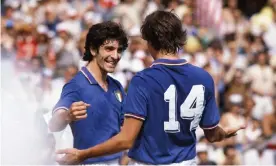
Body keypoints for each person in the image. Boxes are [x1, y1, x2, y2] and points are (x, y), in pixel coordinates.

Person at [56, 11, 245, 165]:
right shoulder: (204, 77)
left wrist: (82, 154)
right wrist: (225, 132)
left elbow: (125, 140)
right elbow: (213, 134)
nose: (116, 55)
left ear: (150, 42)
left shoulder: (143, 80)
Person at [49, 21, 128, 165]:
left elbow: (126, 128)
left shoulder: (117, 86)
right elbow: (54, 123)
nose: (116, 56)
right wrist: (68, 115)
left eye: (119, 50)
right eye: (109, 49)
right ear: (93, 49)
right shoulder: (76, 85)